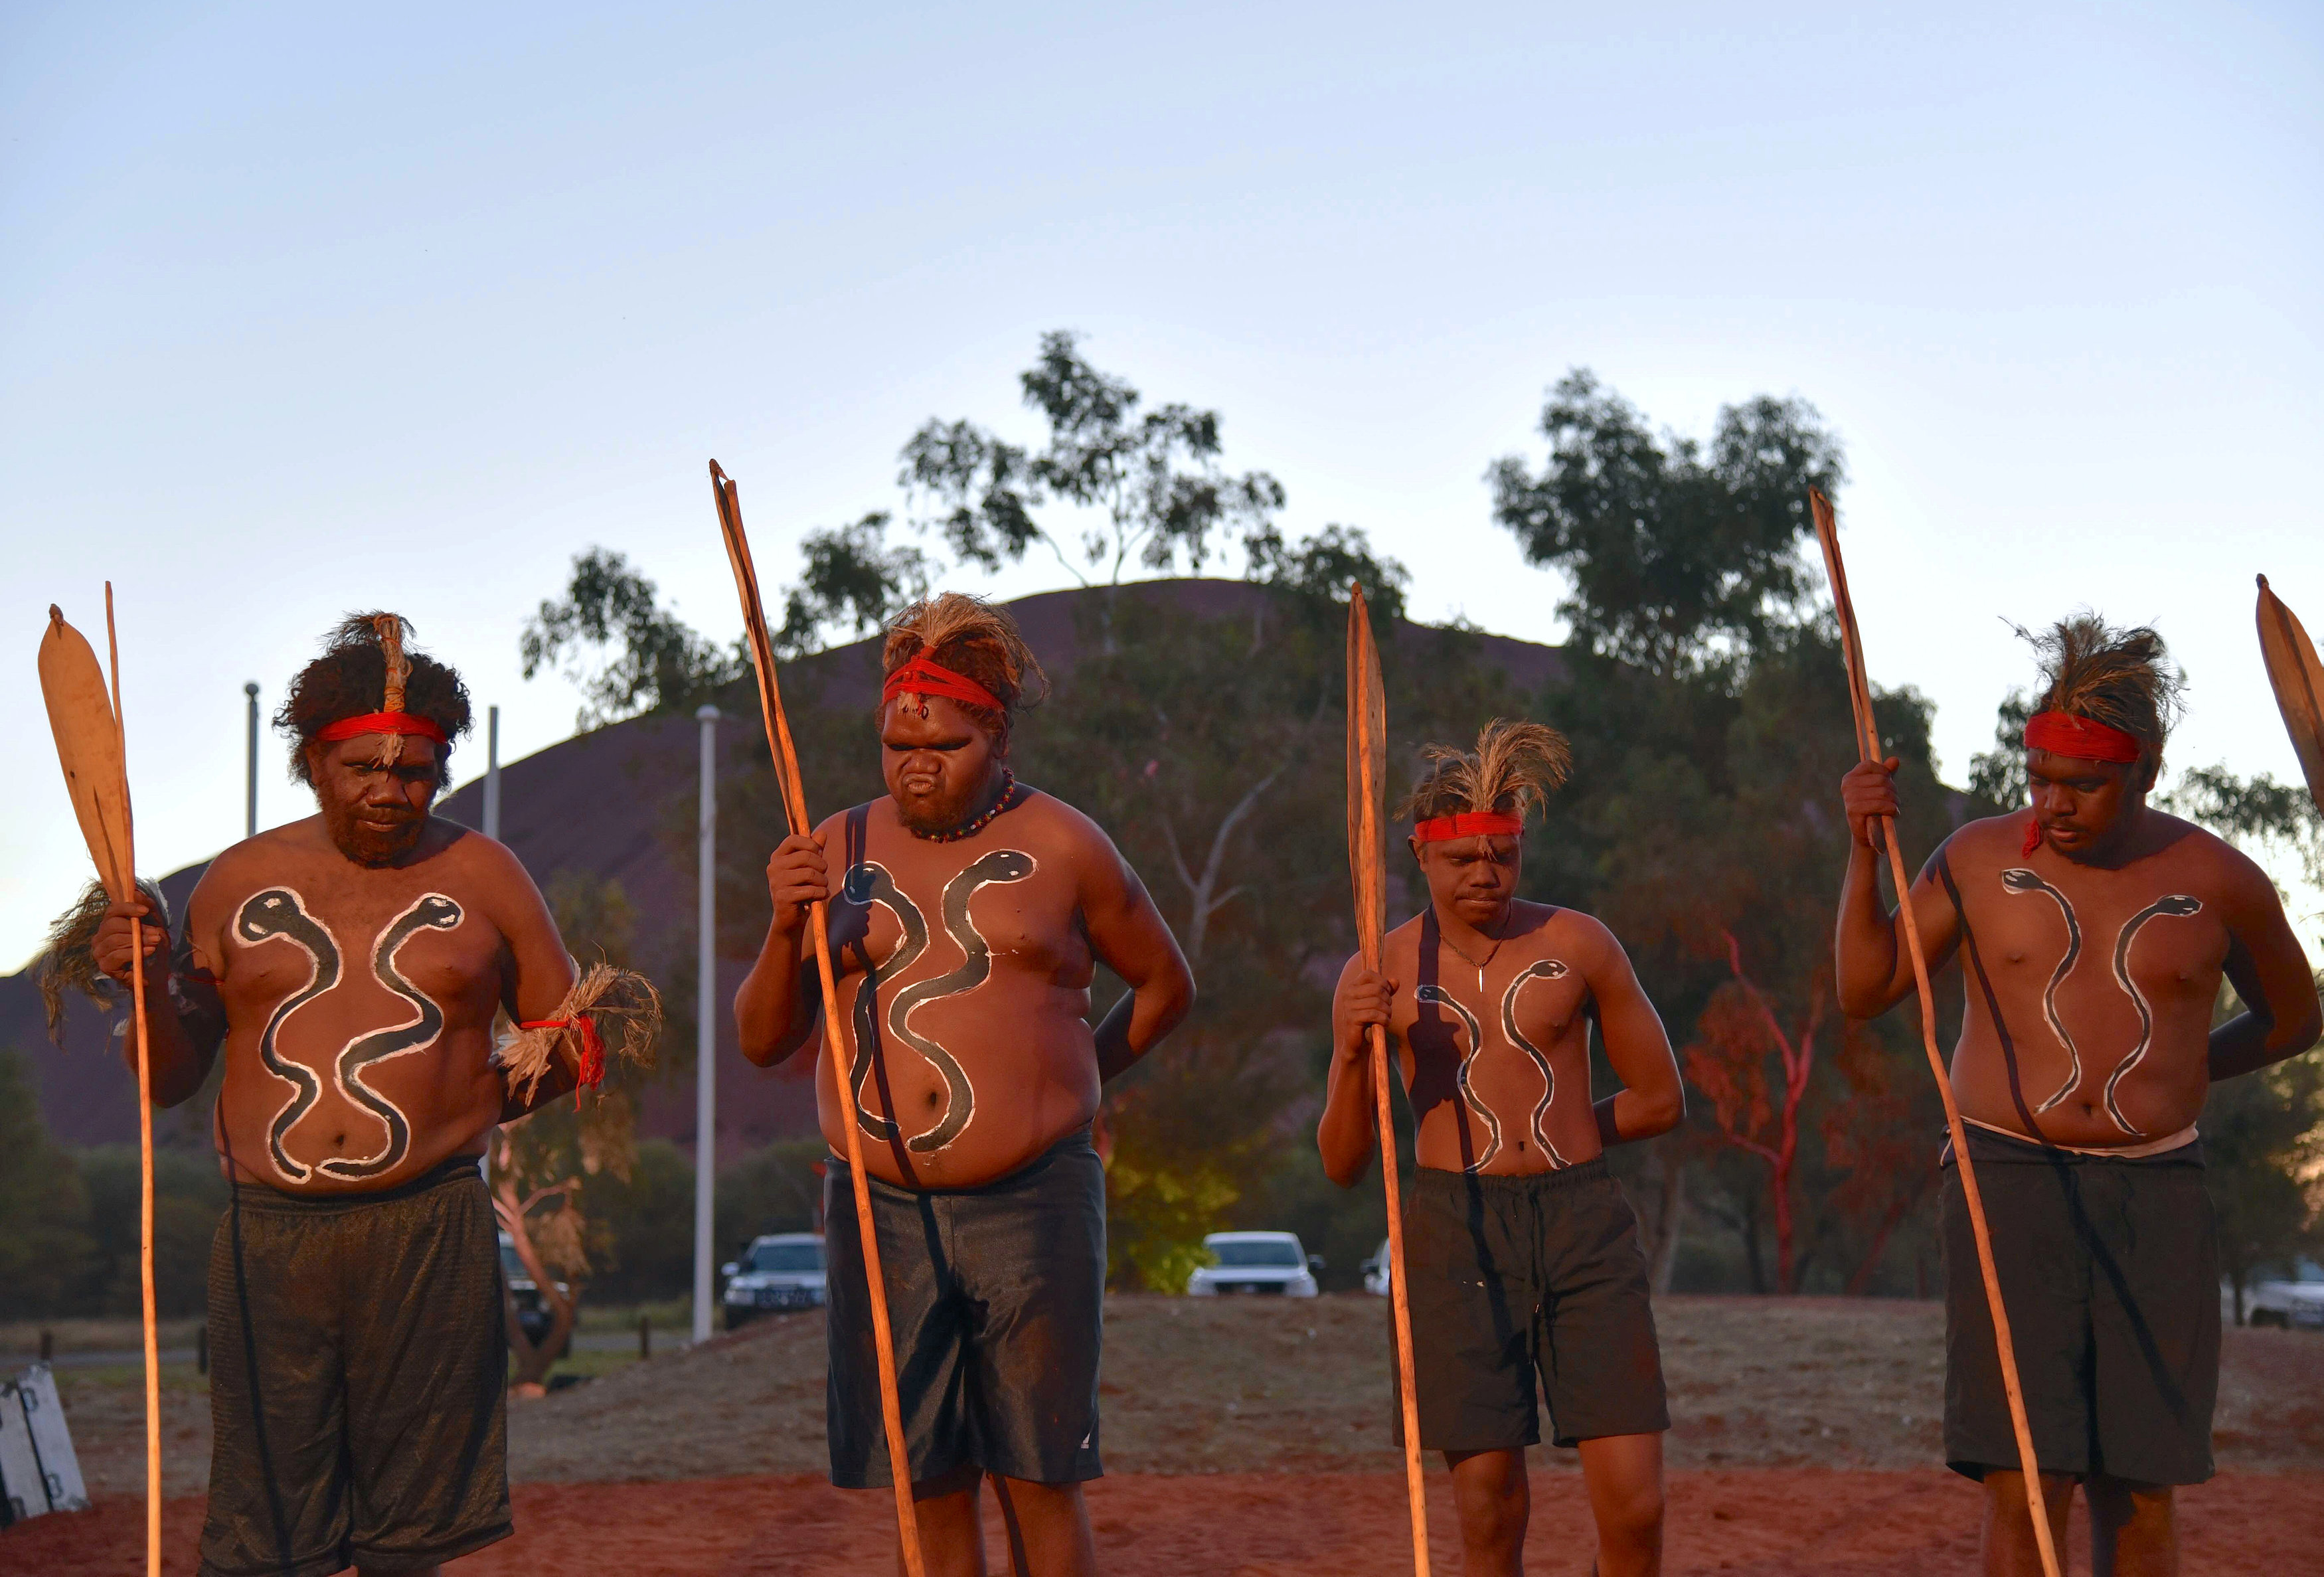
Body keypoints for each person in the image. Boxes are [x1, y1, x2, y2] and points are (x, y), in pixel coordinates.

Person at [80, 614, 621, 1577]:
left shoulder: (487, 876)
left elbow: (575, 1038)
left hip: (429, 1230)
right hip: (269, 1239)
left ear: (441, 768)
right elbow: (168, 1080)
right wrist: (146, 985)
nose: (386, 791)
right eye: (361, 768)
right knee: (266, 1537)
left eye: (412, 771)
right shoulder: (235, 884)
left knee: (410, 1538)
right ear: (313, 763)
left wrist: (466, 1107)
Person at [1837, 616, 2320, 1577]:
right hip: (2008, 1183)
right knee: (2027, 1480)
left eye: (2084, 787)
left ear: (2144, 773)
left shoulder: (2222, 880)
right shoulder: (1974, 860)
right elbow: (1865, 989)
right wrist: (1861, 854)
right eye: (2041, 779)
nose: (2053, 805)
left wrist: (2183, 1077)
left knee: (2141, 1491)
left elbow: (2295, 1022)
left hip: (2158, 1194)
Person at [734, 592, 1195, 1577]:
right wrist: (785, 927)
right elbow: (763, 1039)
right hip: (880, 1207)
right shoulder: (836, 849)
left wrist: (1078, 1078)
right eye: (897, 744)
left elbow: (1165, 985)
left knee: (1039, 1477)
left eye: (941, 744)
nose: (915, 764)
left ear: (994, 731)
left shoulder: (1069, 845)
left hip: (1034, 1199)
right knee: (926, 1485)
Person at [1319, 719, 1684, 1577]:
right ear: (1421, 854)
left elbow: (1661, 1098)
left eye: (1502, 856)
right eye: (1462, 859)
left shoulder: (1579, 944)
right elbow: (1341, 1164)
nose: (1485, 875)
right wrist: (1347, 1050)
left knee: (1636, 1506)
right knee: (1487, 1511)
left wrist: (1569, 1140)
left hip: (1582, 1221)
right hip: (1454, 1231)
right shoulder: (1382, 971)